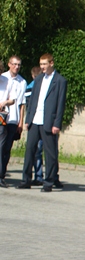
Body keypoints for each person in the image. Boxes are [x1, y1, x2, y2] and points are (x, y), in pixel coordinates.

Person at [16, 54, 67, 192]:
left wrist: (57, 124)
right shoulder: (38, 79)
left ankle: (48, 182)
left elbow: (61, 104)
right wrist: (28, 120)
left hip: (49, 122)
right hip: (35, 120)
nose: (42, 67)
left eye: (44, 64)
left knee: (50, 154)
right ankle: (26, 180)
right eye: (41, 64)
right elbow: (32, 100)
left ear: (51, 63)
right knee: (30, 150)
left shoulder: (60, 81)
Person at [0, 56, 27, 188]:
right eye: (14, 64)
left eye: (19, 65)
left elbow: (21, 103)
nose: (17, 67)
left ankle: (2, 175)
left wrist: (21, 122)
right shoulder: (4, 77)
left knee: (6, 149)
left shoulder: (22, 82)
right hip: (3, 119)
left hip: (11, 119)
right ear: (9, 64)